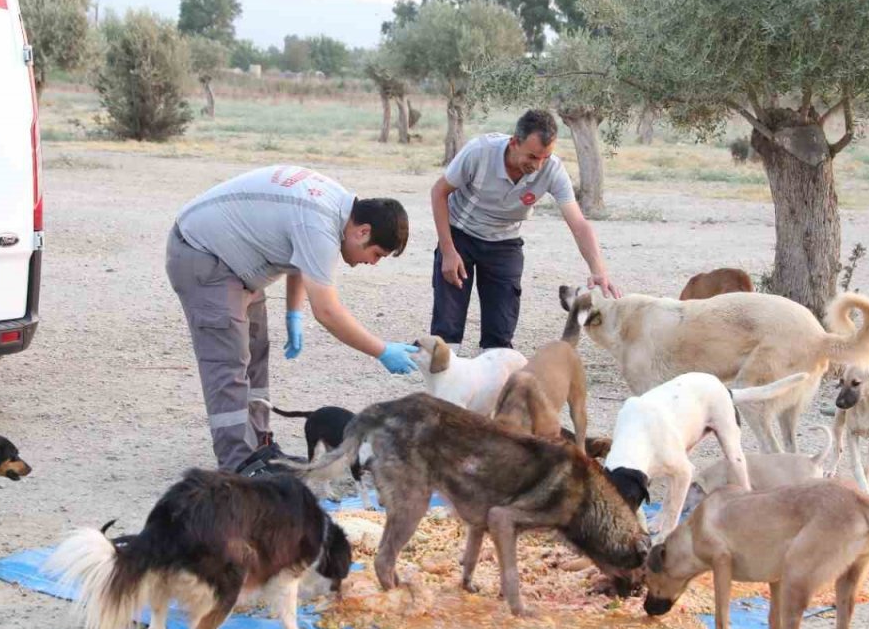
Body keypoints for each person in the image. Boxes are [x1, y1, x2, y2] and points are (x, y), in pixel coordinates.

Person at [166, 164, 417, 477]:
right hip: (203, 256)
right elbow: (327, 311)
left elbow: (301, 256)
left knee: (255, 353)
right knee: (228, 362)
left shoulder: (336, 208)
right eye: (377, 254)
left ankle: (259, 447)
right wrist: (381, 350)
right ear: (362, 231)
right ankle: (238, 464)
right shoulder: (321, 224)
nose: (373, 263)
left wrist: (293, 312)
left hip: (236, 263)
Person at [430, 109, 621, 350]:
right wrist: (448, 250)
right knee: (447, 328)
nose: (538, 165)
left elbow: (579, 224)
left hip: (504, 242)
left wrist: (598, 270)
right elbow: (439, 192)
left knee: (499, 337)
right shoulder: (479, 152)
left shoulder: (551, 168)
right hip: (460, 234)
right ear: (514, 143)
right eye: (532, 156)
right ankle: (442, 383)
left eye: (544, 157)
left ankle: (494, 382)